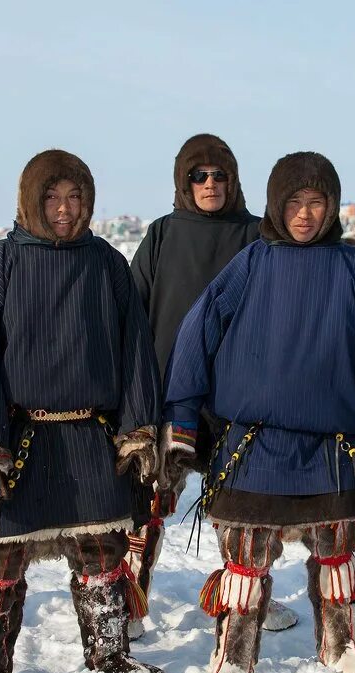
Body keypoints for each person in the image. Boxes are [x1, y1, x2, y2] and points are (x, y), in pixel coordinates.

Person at [163, 152, 355, 673]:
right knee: (245, 562)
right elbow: (196, 334)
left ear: (332, 208)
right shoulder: (251, 263)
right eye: (294, 203)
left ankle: (339, 645)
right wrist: (182, 414)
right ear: (276, 206)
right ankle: (233, 658)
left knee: (337, 554)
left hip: (332, 445)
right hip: (255, 444)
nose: (304, 215)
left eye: (316, 202)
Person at [0, 149, 165, 673]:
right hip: (19, 440)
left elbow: (136, 349)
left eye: (75, 198)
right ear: (30, 202)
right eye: (52, 198)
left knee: (104, 559)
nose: (64, 210)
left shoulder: (107, 264)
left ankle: (108, 654)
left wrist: (137, 427)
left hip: (91, 439)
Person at [128, 134, 296, 637]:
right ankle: (132, 596)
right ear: (183, 182)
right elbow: (134, 311)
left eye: (219, 175)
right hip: (169, 391)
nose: (209, 184)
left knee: (238, 502)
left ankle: (247, 595)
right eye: (198, 176)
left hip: (234, 395)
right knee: (152, 497)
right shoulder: (161, 234)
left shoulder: (255, 236)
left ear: (233, 181)